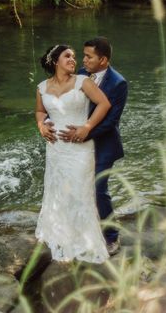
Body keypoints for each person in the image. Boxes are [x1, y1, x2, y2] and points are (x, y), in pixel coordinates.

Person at [35, 44, 111, 263]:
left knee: (80, 190)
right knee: (57, 189)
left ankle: (85, 241)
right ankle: (60, 235)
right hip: (56, 148)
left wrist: (86, 127)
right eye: (68, 56)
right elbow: (40, 111)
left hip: (79, 148)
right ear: (55, 60)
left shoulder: (82, 82)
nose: (73, 60)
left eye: (75, 57)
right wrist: (41, 126)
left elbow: (104, 104)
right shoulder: (42, 87)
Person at [57, 37, 128, 256]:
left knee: (98, 189)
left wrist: (85, 131)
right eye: (84, 55)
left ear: (103, 60)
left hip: (104, 145)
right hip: (77, 142)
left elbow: (111, 121)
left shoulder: (118, 83)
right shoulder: (80, 73)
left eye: (89, 57)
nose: (84, 60)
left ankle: (111, 237)